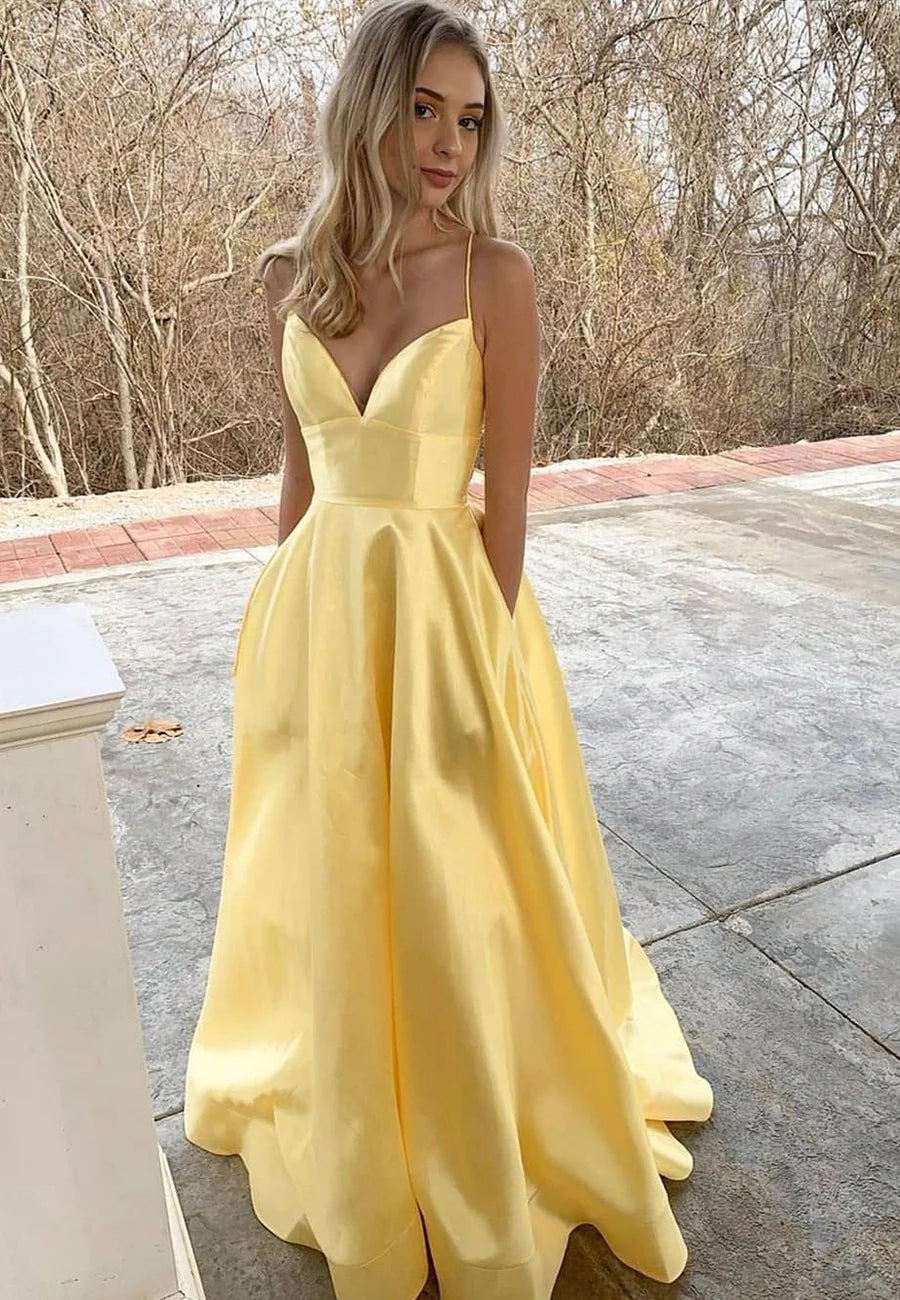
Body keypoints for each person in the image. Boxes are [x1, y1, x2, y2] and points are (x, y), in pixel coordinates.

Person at [183, 2, 714, 1297]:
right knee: (333, 871)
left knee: (450, 879)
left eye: (469, 120)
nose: (447, 144)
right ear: (367, 103)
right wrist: (270, 641)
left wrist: (488, 662)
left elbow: (508, 504)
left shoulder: (495, 276)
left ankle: (469, 1114)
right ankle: (360, 1103)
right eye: (424, 108)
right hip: (318, 621)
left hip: (445, 628)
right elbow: (300, 482)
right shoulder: (292, 274)